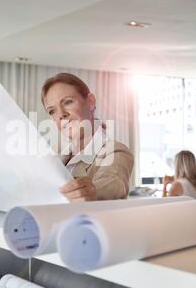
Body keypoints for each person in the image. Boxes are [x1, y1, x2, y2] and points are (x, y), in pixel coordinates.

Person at [41, 73, 133, 202]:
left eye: (68, 102)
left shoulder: (115, 151)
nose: (61, 114)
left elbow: (114, 184)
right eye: (52, 111)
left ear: (90, 102)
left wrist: (93, 191)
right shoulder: (57, 156)